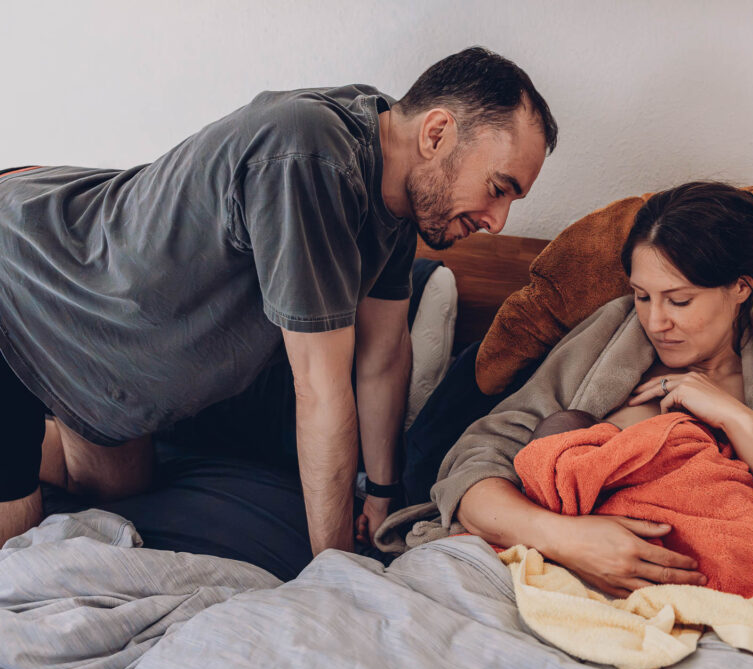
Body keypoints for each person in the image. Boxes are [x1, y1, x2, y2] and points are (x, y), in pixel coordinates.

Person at [0, 46, 558, 553]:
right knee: (19, 545)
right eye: (499, 187)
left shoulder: (395, 196)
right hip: (19, 275)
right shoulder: (310, 157)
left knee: (121, 485)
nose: (497, 221)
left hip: (91, 346)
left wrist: (382, 492)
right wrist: (334, 569)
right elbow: (320, 388)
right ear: (436, 134)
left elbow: (383, 353)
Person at [380, 181, 753, 597]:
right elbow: (475, 464)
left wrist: (736, 418)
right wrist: (568, 540)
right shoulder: (608, 342)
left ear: (740, 288)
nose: (656, 322)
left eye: (679, 301)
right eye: (641, 296)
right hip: (555, 574)